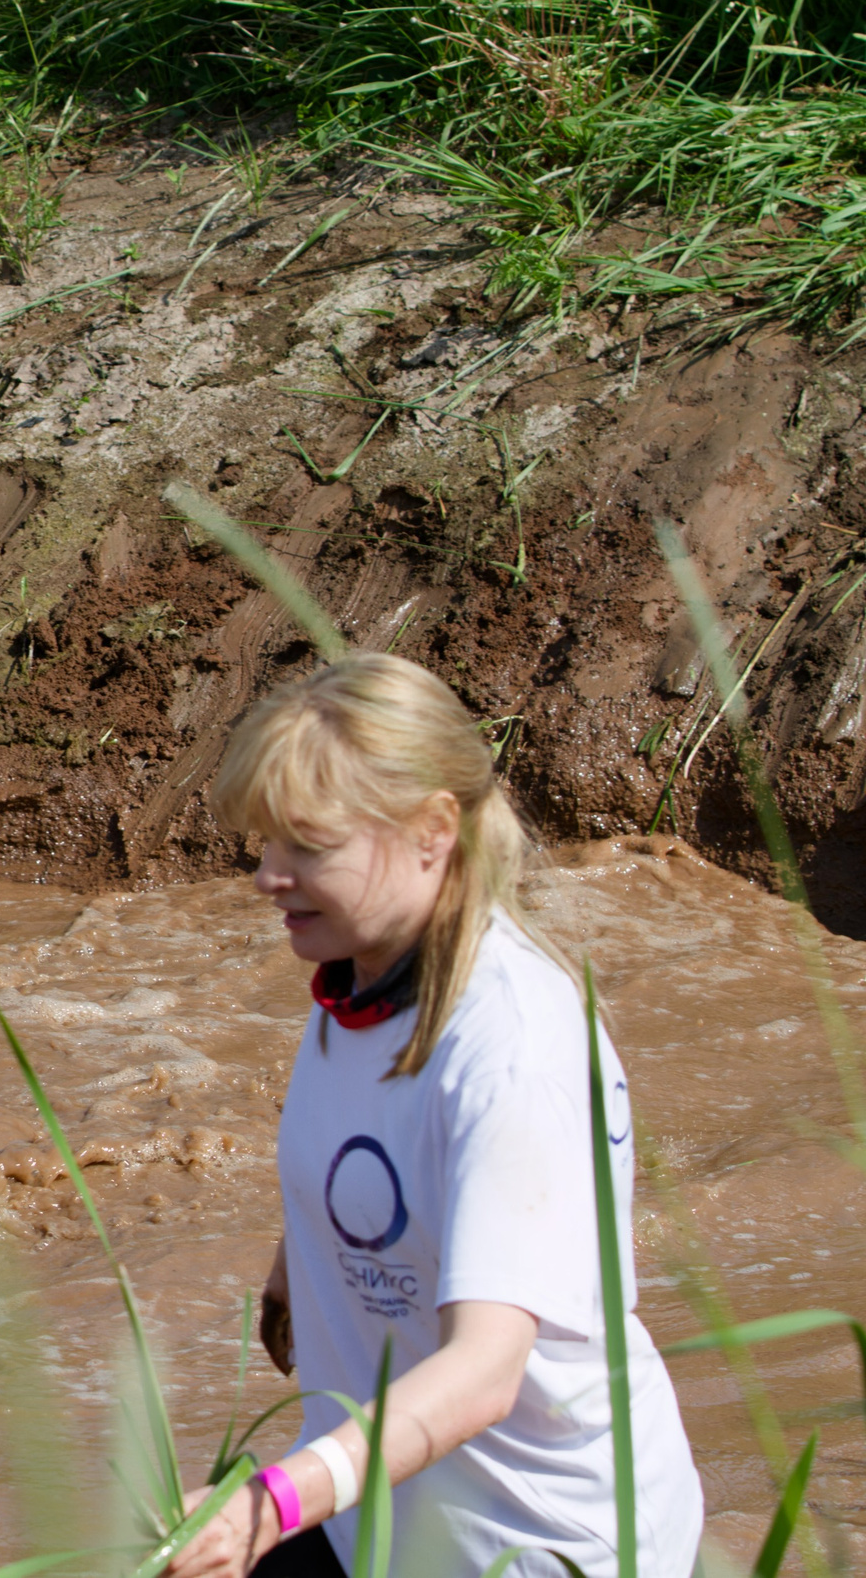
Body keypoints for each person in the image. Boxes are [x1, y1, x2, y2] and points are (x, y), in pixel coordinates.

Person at [164, 653, 701, 1578]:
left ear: (432, 831)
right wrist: (294, 1274)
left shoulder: (515, 1046)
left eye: (307, 846)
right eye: (264, 841)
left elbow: (484, 1373)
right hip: (381, 1514)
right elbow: (368, 1155)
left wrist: (272, 1500)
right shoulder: (359, 980)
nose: (266, 876)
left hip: (535, 1543)